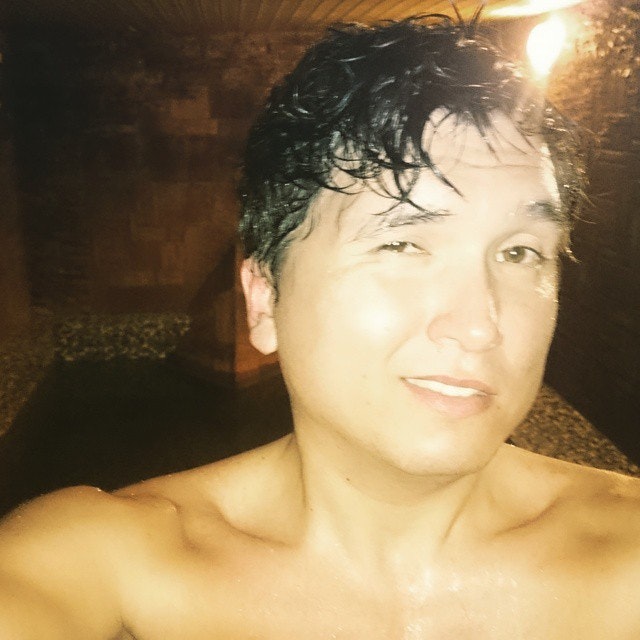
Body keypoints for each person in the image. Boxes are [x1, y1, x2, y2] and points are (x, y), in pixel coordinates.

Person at [1, 15, 639, 640]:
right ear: (264, 301)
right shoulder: (108, 566)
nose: (478, 328)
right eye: (401, 244)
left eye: (520, 252)